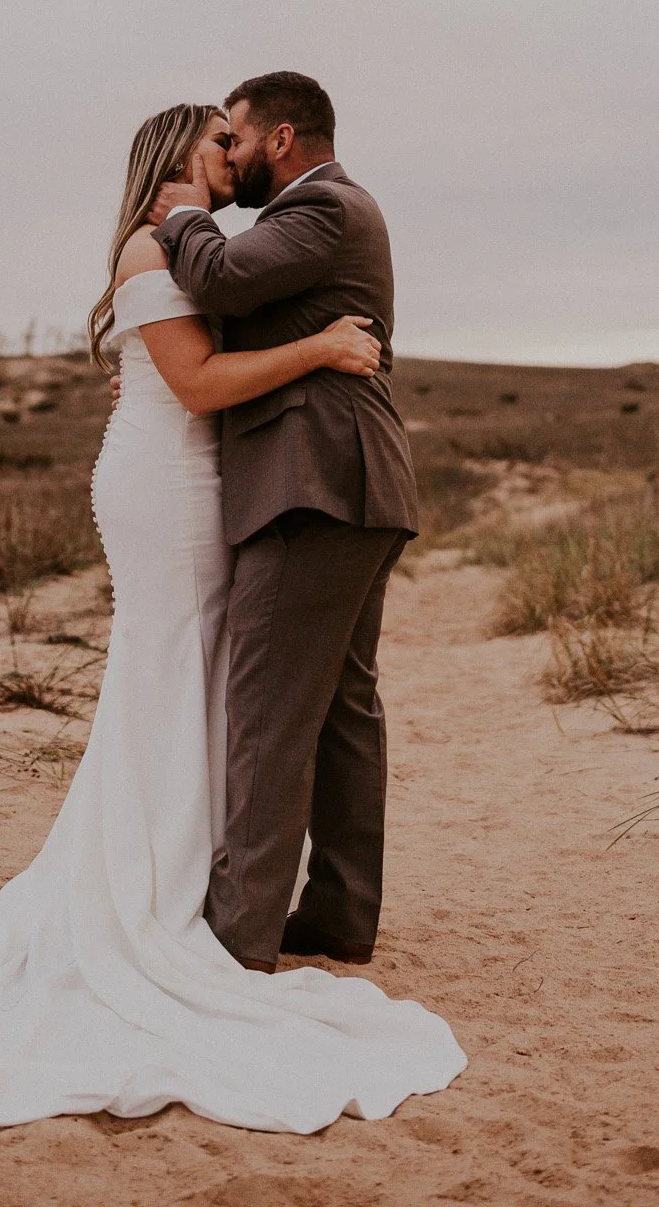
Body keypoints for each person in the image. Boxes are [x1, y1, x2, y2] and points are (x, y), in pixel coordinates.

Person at [0, 98, 464, 1132]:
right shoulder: (156, 246)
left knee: (204, 681)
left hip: (203, 481)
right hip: (169, 486)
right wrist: (321, 349)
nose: (231, 153)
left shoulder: (196, 250)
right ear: (176, 157)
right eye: (217, 140)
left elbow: (203, 341)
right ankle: (171, 906)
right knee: (177, 672)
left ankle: (207, 892)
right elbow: (198, 383)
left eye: (237, 135)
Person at [148, 71, 419, 974]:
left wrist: (182, 211)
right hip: (351, 486)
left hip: (313, 490)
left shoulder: (322, 209)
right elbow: (249, 327)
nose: (224, 155)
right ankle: (340, 915)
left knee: (266, 709)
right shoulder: (329, 217)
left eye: (234, 138)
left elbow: (220, 280)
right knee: (341, 704)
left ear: (280, 138)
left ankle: (238, 938)